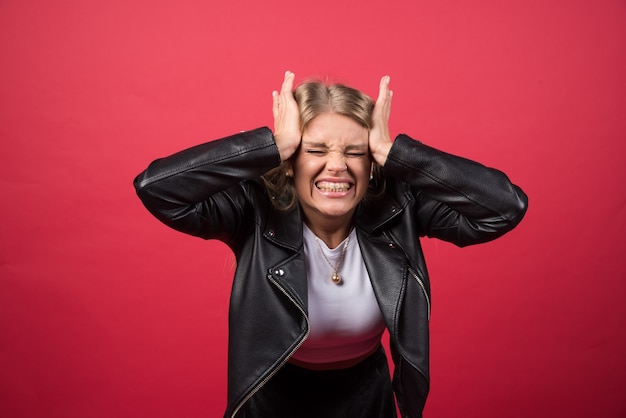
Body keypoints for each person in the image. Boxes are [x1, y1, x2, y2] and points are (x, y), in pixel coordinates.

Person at [133, 71, 528, 418]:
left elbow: (505, 207)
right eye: (315, 150)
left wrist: (397, 153)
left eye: (355, 151)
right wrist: (270, 145)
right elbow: (157, 189)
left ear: (371, 163)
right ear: (291, 160)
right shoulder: (254, 209)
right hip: (270, 397)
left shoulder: (399, 205)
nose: (337, 164)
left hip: (367, 398)